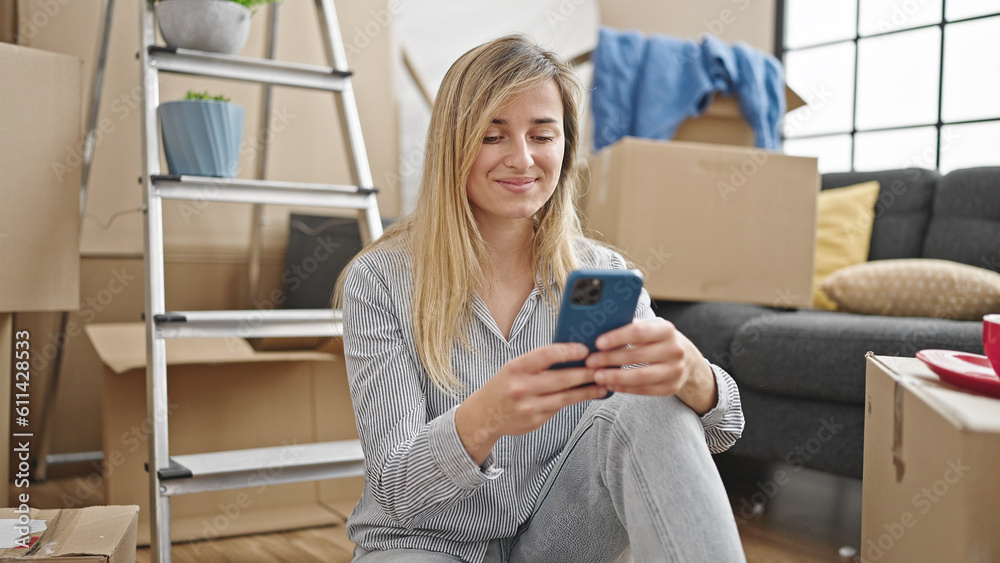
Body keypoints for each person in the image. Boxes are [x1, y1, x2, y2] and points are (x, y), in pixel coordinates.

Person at [337, 34, 746, 563]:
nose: (522, 159)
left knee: (651, 409)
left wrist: (694, 375)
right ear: (453, 144)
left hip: (563, 541)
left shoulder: (604, 274)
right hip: (423, 542)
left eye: (543, 135)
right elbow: (397, 490)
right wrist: (484, 417)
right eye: (492, 136)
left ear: (565, 148)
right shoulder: (381, 281)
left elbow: (722, 431)